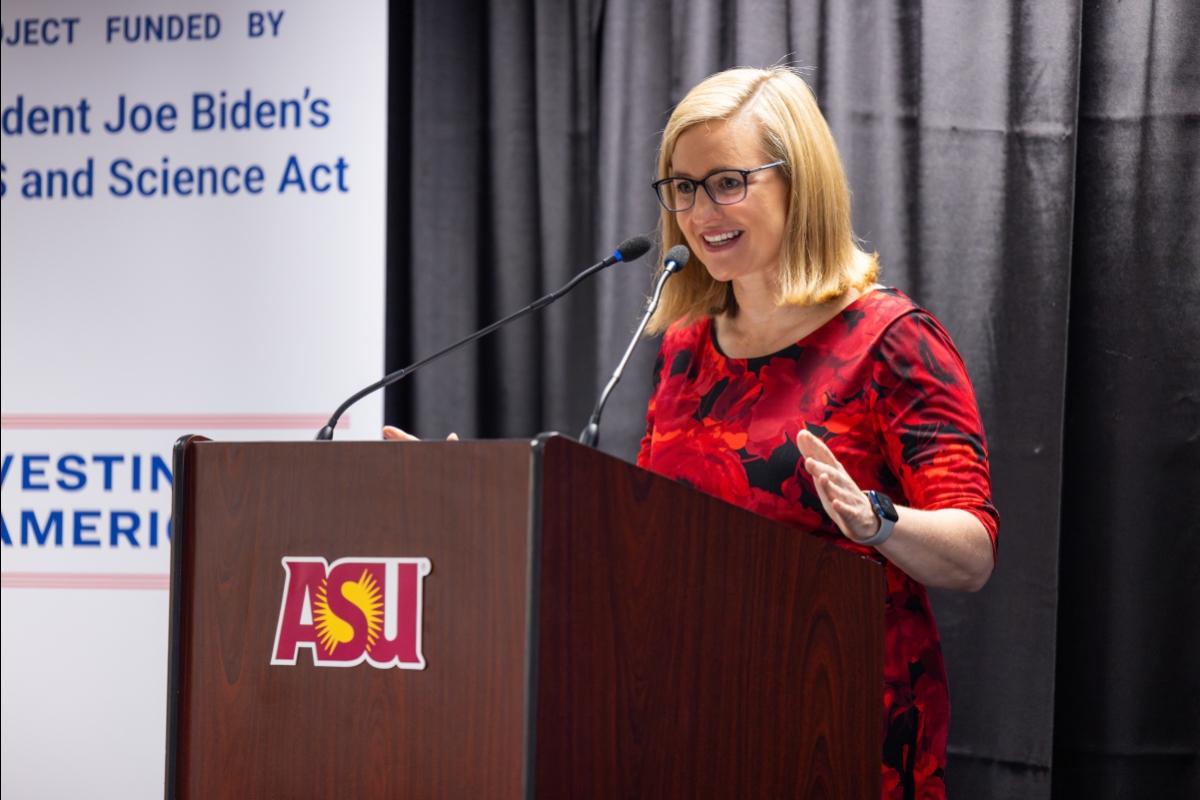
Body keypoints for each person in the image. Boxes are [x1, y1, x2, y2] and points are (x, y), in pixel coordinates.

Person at [637, 67, 998, 799]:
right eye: (683, 187)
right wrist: (502, 498)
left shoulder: (890, 341)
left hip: (844, 728)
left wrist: (878, 521)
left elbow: (973, 555)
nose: (701, 210)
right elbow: (648, 535)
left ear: (798, 184)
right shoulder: (685, 347)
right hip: (700, 724)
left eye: (728, 181)